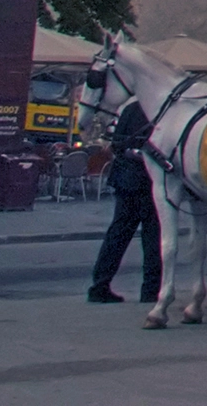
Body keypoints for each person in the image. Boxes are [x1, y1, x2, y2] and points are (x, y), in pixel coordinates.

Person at [87, 100, 161, 305]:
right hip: (148, 181)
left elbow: (117, 143)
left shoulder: (131, 108)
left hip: (125, 179)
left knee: (118, 234)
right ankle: (150, 290)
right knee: (153, 237)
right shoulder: (158, 108)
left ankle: (100, 285)